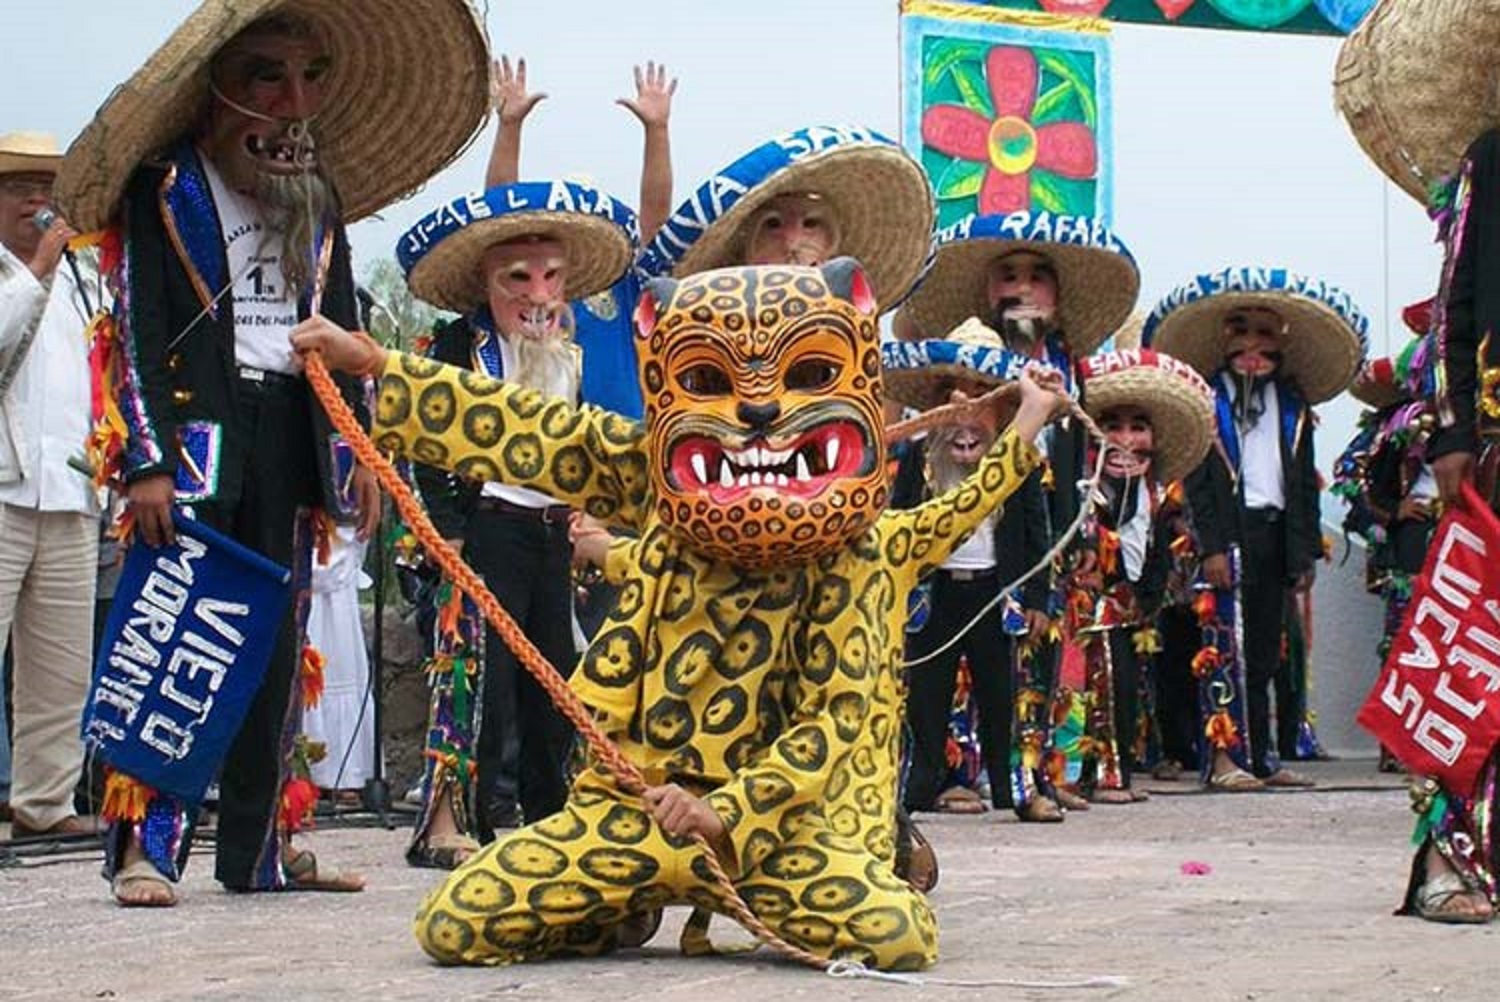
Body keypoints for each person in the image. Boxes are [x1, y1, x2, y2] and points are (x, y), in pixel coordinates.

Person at [292, 256, 1070, 970]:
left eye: (806, 375)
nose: (758, 407)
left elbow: (833, 720)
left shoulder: (863, 551)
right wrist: (375, 365)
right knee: (455, 924)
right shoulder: (658, 485)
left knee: (893, 934)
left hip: (779, 831)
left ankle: (865, 855)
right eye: (708, 381)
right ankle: (618, 907)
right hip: (637, 815)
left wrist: (723, 813)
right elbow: (531, 428)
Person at [52, 0, 489, 906]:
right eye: (268, 76)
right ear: (217, 90)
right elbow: (135, 330)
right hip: (197, 441)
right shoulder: (167, 187)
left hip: (294, 429)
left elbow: (345, 327)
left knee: (278, 648)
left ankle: (263, 850)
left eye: (309, 78)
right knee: (177, 637)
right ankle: (144, 848)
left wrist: (361, 451)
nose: (293, 102)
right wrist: (145, 462)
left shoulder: (318, 199)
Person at [399, 180, 639, 865]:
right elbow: (425, 443)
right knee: (479, 681)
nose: (539, 295)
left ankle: (551, 818)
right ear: (486, 282)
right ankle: (452, 821)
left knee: (555, 684)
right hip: (484, 532)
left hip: (550, 537)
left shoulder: (570, 355)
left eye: (553, 277)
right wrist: (447, 531)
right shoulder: (457, 346)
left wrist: (585, 515)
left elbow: (580, 447)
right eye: (519, 278)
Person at [895, 210, 1140, 810]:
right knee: (940, 680)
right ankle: (950, 778)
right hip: (944, 574)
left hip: (1027, 557)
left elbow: (1069, 476)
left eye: (1037, 277)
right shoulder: (938, 424)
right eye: (1008, 276)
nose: (1022, 289)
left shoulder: (1072, 375)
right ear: (987, 291)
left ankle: (1032, 780)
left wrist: (1071, 549)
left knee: (1029, 676)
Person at [1143, 267, 1367, 791]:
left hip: (1275, 534)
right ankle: (1223, 758)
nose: (1252, 344)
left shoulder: (1293, 405)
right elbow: (1198, 484)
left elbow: (1304, 486)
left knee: (1266, 653)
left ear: (1280, 344)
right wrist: (1211, 547)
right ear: (1224, 339)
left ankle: (1262, 757)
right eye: (1240, 331)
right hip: (1228, 534)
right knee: (1223, 644)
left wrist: (1304, 553)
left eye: (1264, 333)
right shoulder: (1206, 399)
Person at [884, 319, 1061, 823]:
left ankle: (1019, 792)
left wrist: (1037, 599)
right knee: (924, 699)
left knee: (1006, 699)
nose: (966, 412)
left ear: (1003, 406)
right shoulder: (916, 457)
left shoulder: (1020, 459)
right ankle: (912, 794)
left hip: (995, 594)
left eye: (980, 397)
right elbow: (898, 523)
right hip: (934, 596)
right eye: (953, 397)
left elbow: (1038, 534)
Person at [0, 131, 99, 837]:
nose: (36, 200)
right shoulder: (32, 273)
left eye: (46, 188)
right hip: (4, 488)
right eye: (19, 188)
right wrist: (36, 269)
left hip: (69, 491)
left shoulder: (84, 280)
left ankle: (45, 804)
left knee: (61, 668)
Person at [1067, 349, 1216, 804]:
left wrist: (1148, 597)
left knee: (1127, 692)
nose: (1126, 439)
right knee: (1097, 690)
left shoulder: (1158, 494)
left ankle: (1116, 774)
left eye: (1138, 427)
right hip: (1087, 612)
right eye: (1112, 426)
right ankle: (1095, 778)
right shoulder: (1082, 487)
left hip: (1135, 611)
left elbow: (1160, 554)